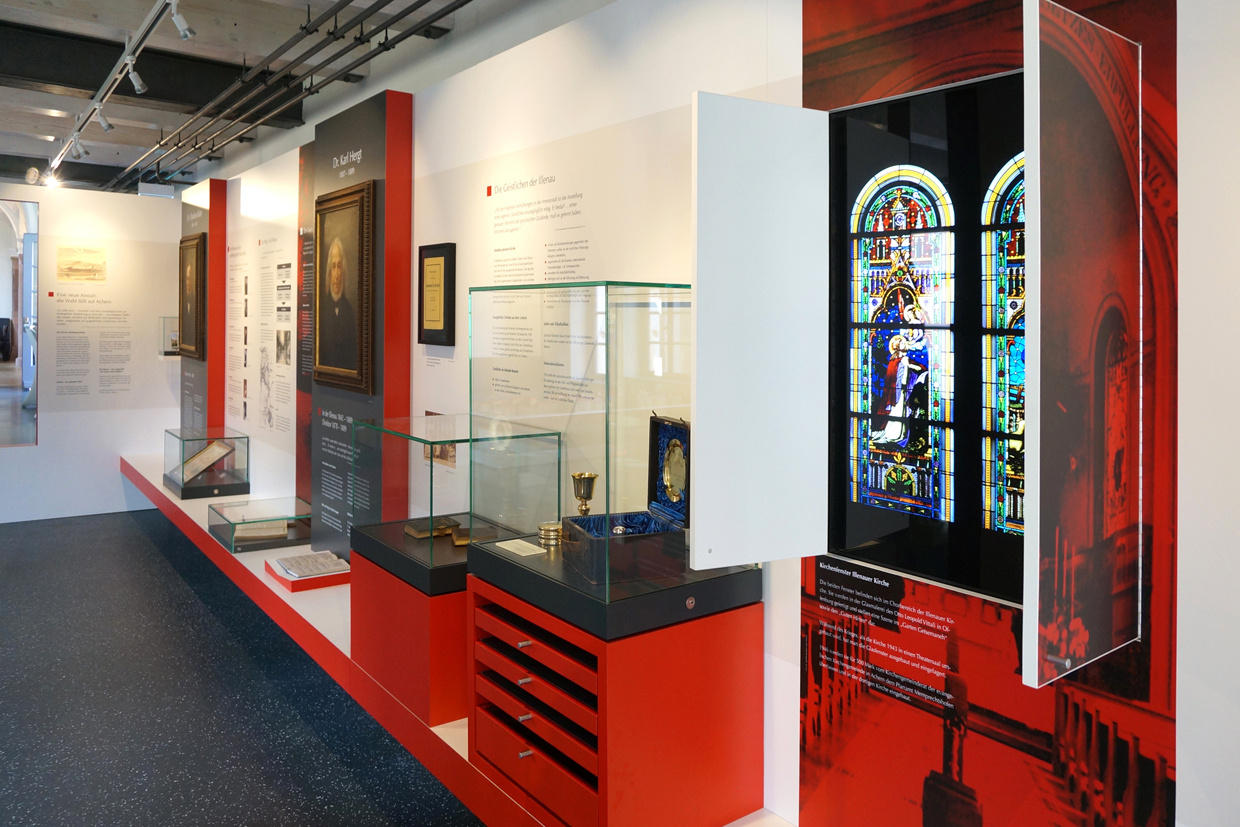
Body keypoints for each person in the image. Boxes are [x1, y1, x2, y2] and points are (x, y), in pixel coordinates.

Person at [318, 237, 357, 370]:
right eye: (333, 267)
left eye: (339, 266)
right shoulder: (321, 310)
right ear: (329, 272)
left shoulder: (348, 310)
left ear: (343, 271)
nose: (336, 275)